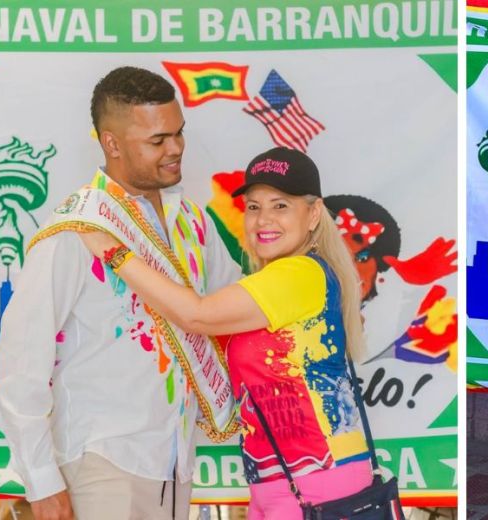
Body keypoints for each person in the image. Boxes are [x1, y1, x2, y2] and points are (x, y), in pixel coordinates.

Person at [0, 67, 241, 520]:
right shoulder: (76, 229)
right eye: (158, 139)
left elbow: (234, 311)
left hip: (174, 464)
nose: (177, 149)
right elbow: (18, 361)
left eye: (179, 133)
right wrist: (42, 480)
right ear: (111, 144)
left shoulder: (194, 223)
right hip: (99, 462)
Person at [78, 146, 375, 519]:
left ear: (313, 213)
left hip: (317, 480)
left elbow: (196, 315)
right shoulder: (272, 281)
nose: (263, 219)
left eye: (280, 205)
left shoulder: (299, 274)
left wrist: (113, 251)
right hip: (280, 482)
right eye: (254, 206)